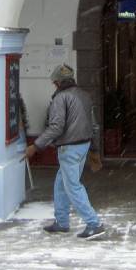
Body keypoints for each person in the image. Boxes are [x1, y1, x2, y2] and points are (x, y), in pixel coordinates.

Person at [25, 64, 105, 240]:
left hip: (69, 148)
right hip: (83, 146)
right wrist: (94, 150)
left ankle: (94, 223)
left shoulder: (60, 98)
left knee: (72, 186)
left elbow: (56, 127)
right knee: (61, 184)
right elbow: (94, 126)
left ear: (57, 82)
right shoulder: (84, 95)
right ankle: (62, 222)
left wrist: (35, 146)